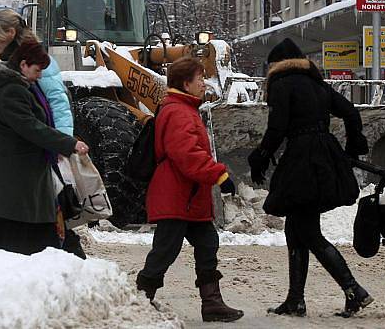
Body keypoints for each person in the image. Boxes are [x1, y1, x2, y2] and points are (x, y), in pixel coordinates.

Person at [247, 38, 372, 318]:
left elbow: (277, 127)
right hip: (324, 156)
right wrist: (353, 147)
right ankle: (295, 300)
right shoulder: (317, 84)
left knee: (309, 232)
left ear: (275, 66)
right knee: (296, 229)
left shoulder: (281, 84)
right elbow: (351, 113)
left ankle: (354, 290)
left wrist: (262, 156)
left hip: (302, 160)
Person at [136, 57, 244, 323]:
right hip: (176, 195)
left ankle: (212, 303)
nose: (204, 83)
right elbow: (186, 154)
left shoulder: (183, 108)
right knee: (165, 250)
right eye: (199, 79)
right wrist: (218, 174)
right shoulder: (178, 111)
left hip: (188, 196)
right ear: (186, 83)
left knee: (207, 243)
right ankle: (139, 298)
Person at [0, 36, 90, 255]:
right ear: (23, 65)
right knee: (21, 239)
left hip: (18, 181)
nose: (39, 75)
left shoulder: (15, 87)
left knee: (12, 238)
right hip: (14, 181)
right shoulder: (11, 92)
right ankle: (69, 273)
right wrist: (69, 143)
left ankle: (67, 271)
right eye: (37, 69)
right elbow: (32, 128)